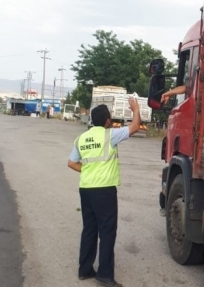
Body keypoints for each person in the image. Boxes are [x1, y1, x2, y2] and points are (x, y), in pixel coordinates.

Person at [67, 97, 141, 287]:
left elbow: (71, 163)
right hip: (104, 190)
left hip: (86, 190)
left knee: (89, 229)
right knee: (107, 232)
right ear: (108, 121)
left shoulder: (81, 138)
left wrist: (89, 171)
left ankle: (84, 270)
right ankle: (105, 275)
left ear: (92, 120)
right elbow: (134, 127)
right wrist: (135, 108)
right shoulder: (110, 135)